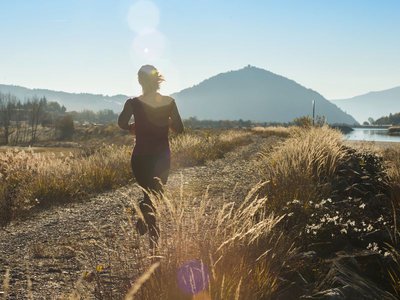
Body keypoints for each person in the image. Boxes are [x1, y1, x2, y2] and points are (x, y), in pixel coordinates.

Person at [118, 65, 184, 249]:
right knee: (155, 196)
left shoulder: (132, 103)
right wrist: (166, 121)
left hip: (140, 159)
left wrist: (133, 126)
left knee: (149, 195)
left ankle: (143, 220)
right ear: (158, 80)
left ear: (140, 80)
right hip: (162, 158)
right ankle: (154, 243)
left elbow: (121, 122)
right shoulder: (169, 102)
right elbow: (180, 129)